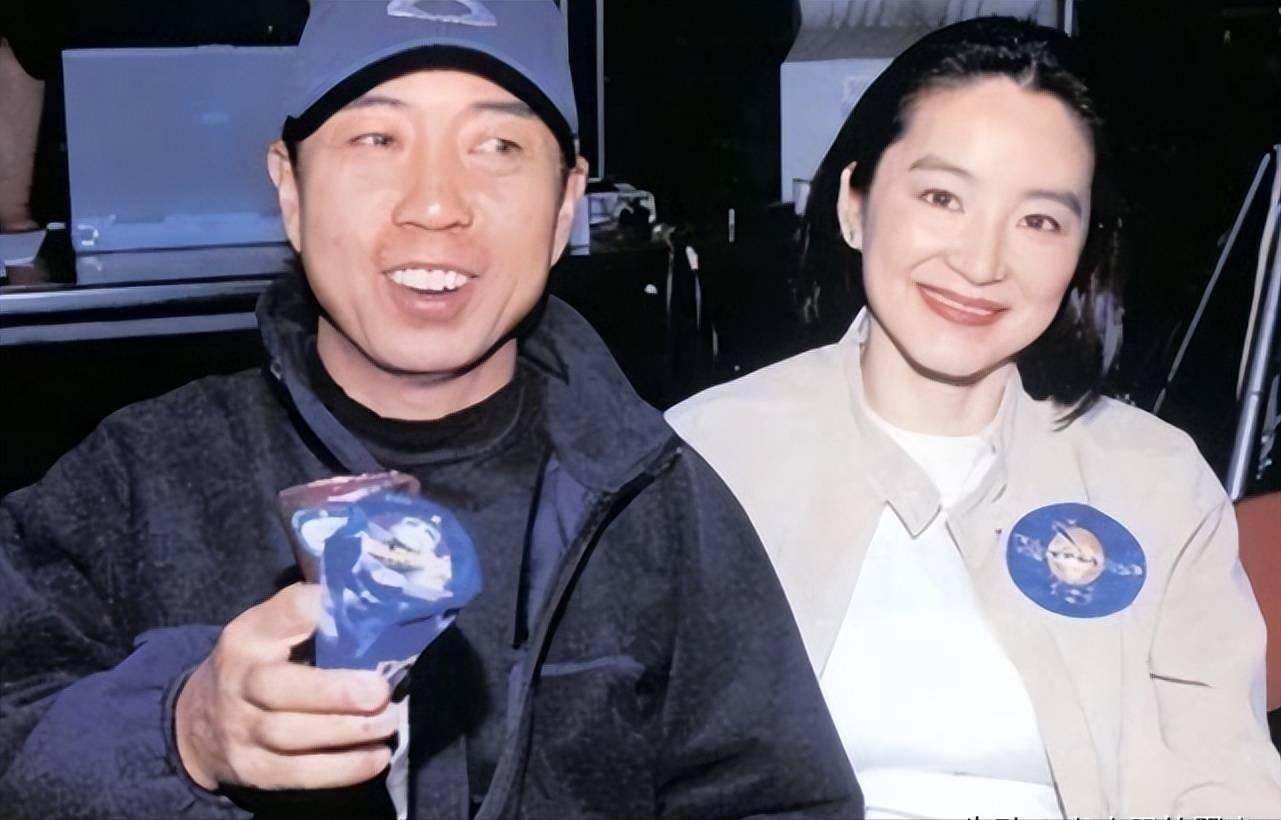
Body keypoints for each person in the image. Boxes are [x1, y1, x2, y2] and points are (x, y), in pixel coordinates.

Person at [0, 2, 860, 818]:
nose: (436, 205)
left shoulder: (651, 498)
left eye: (496, 145)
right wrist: (180, 731)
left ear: (565, 203)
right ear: (290, 188)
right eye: (377, 139)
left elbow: (779, 797)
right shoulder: (138, 480)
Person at [667, 16, 1281, 820]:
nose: (981, 262)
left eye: (1038, 220)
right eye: (941, 197)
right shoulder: (704, 457)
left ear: (1082, 252)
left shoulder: (1155, 483)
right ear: (852, 203)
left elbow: (1222, 777)